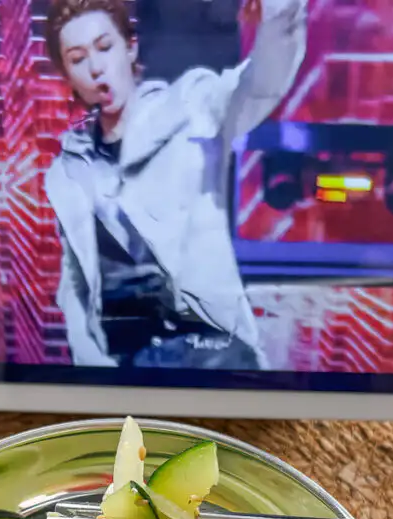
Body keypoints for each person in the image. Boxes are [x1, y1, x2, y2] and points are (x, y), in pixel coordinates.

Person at [44, 0, 307, 369]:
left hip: (214, 358)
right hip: (125, 371)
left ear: (130, 47)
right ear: (67, 74)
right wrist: (92, 371)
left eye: (105, 47)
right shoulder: (68, 173)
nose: (96, 68)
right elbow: (75, 285)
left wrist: (280, 11)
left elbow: (262, 85)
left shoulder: (192, 107)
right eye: (77, 59)